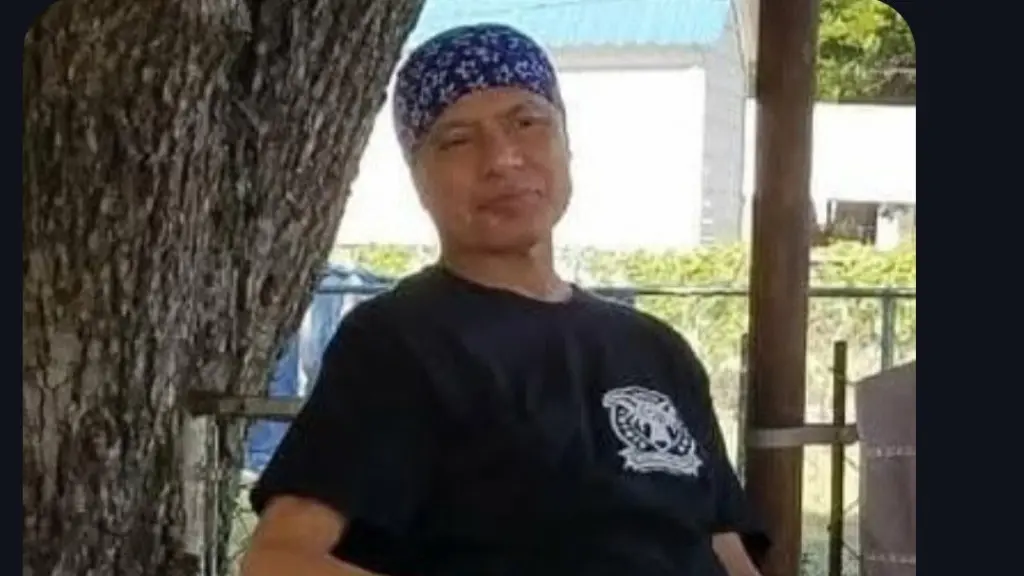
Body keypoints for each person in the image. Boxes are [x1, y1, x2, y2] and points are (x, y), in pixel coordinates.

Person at [240, 22, 769, 576]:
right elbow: (280, 560)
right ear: (420, 180)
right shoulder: (398, 342)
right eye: (458, 140)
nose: (503, 158)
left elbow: (724, 548)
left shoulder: (656, 349)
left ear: (567, 143)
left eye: (527, 122)